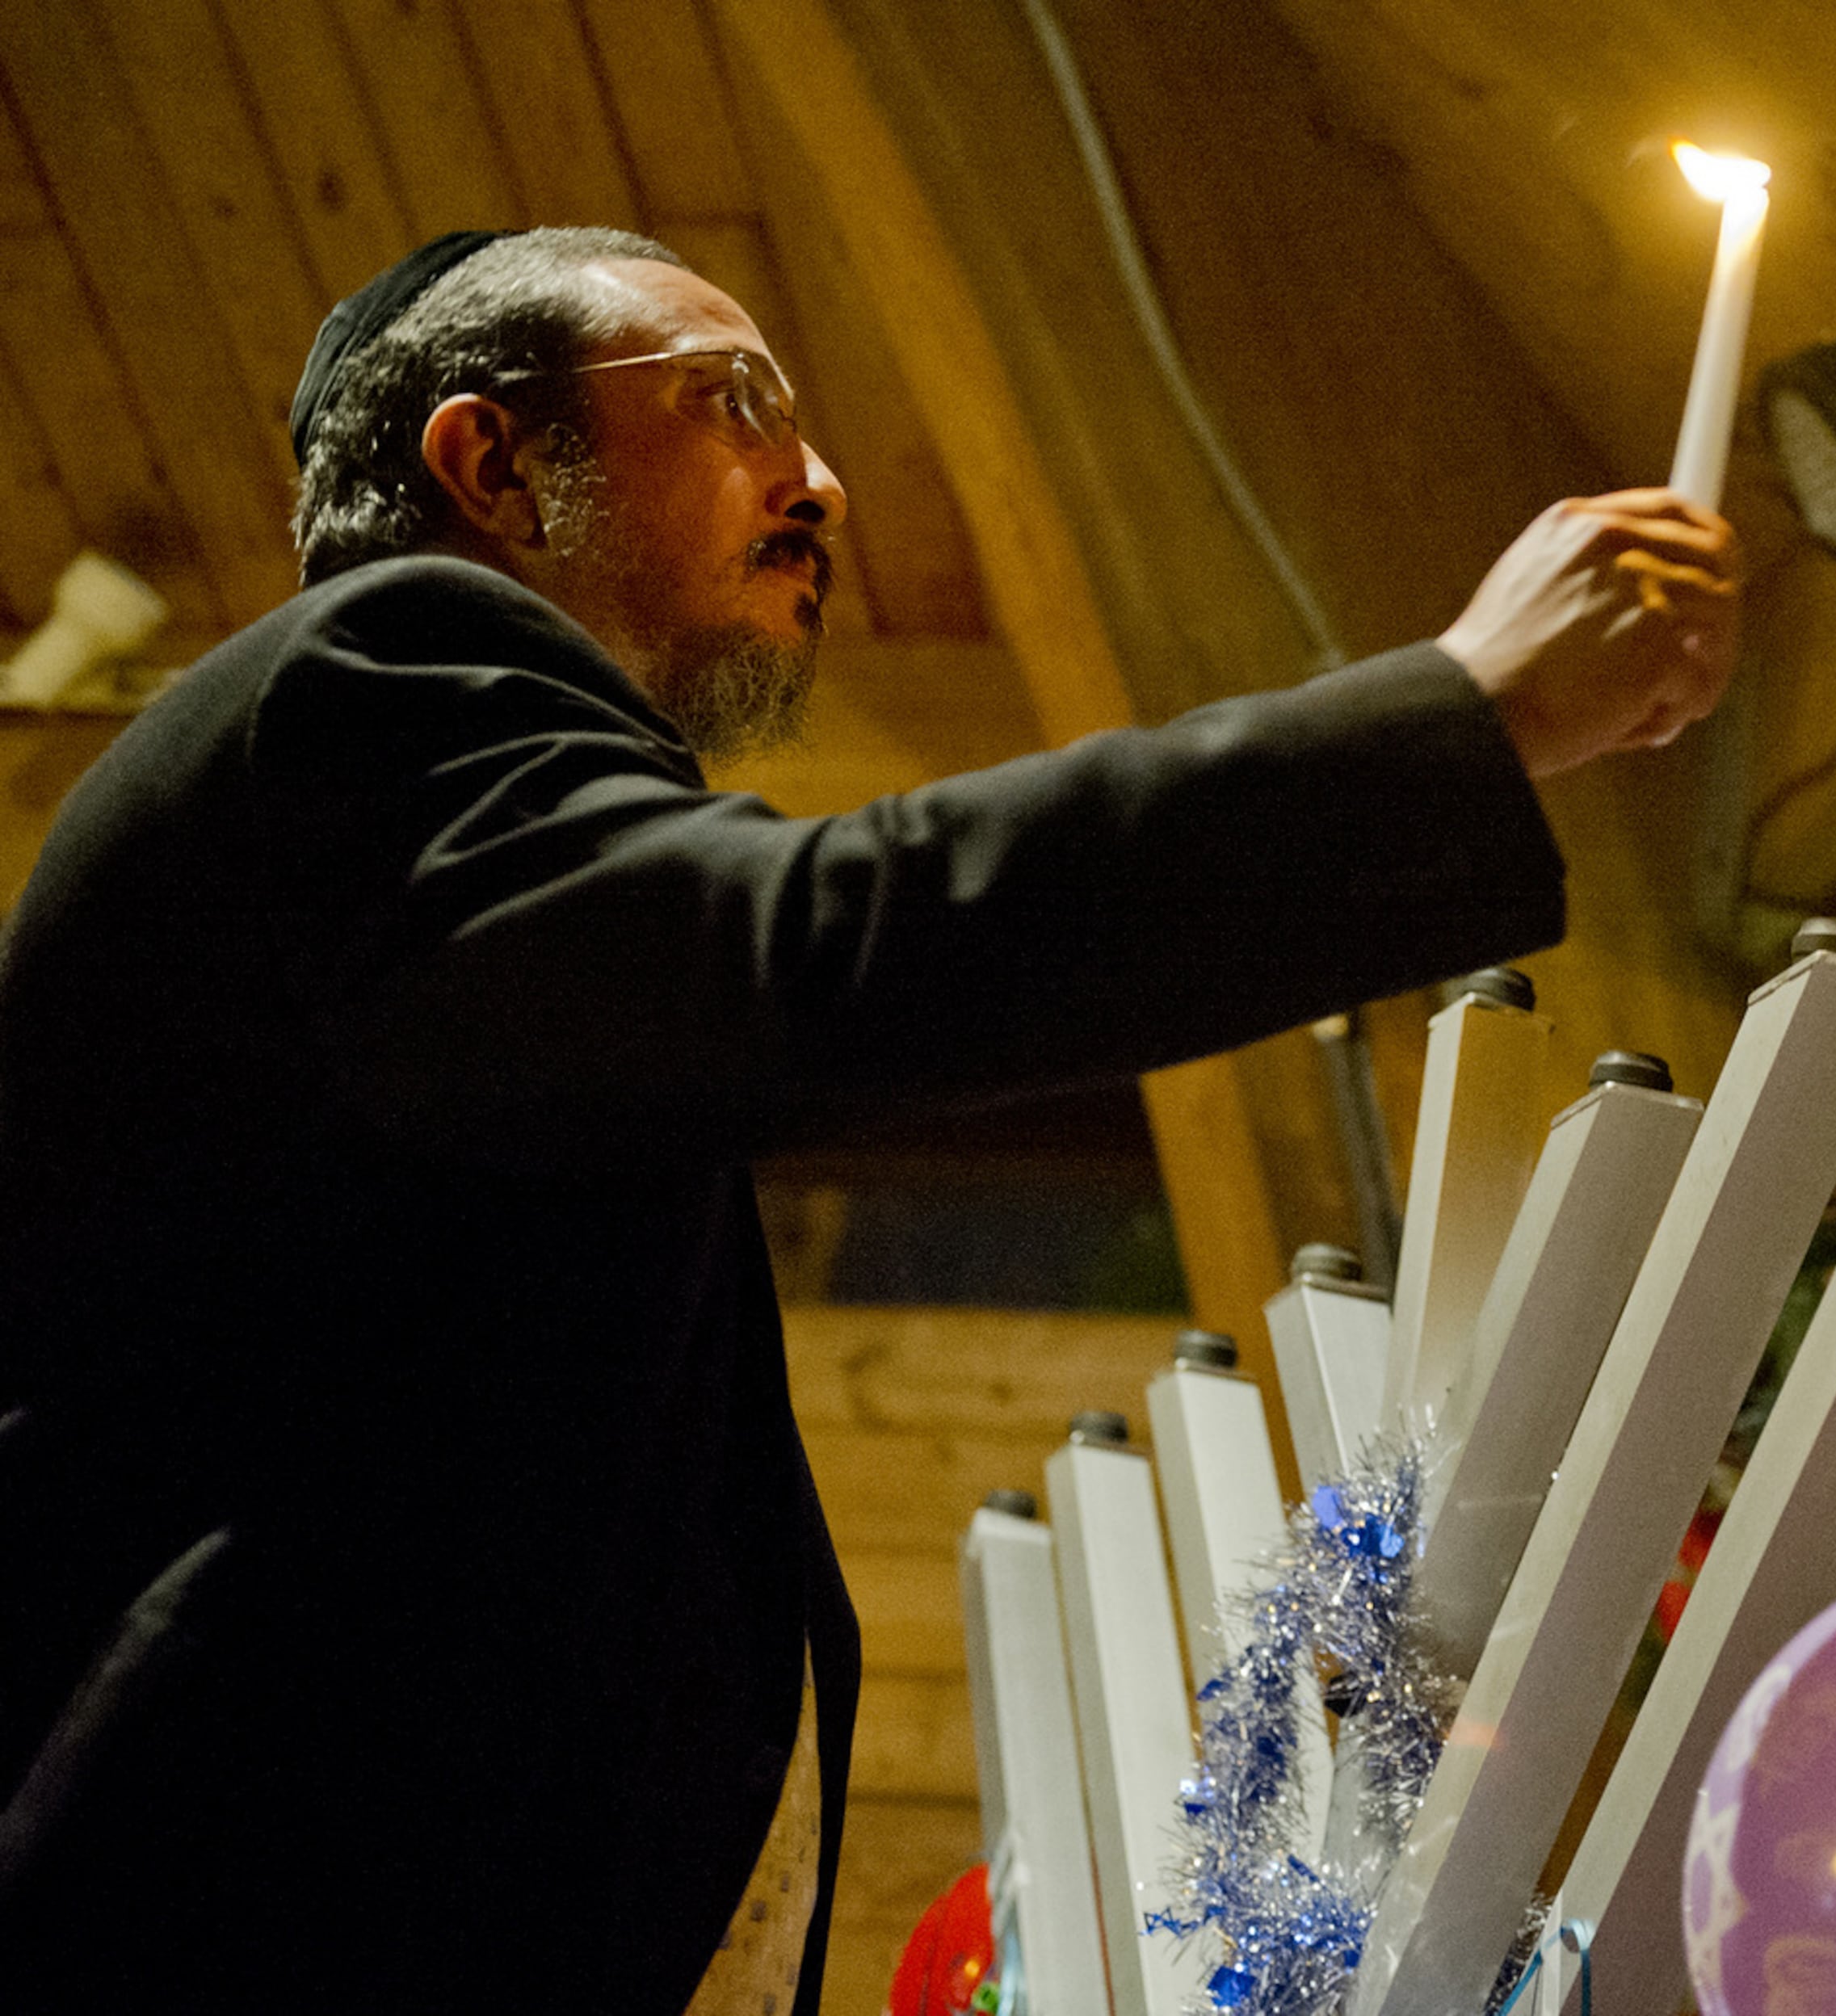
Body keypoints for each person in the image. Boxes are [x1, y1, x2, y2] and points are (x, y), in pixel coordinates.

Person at [0, 226, 1736, 2011]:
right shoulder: (373, 683)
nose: (820, 482)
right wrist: (1469, 714)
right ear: (494, 462)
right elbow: (831, 955)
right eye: (732, 402)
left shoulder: (470, 894)